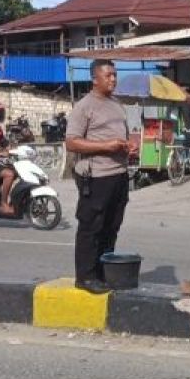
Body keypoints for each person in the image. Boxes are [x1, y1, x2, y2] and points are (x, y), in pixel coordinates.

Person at [65, 59, 131, 294]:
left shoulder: (116, 104)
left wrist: (126, 147)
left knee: (111, 226)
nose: (113, 79)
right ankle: (85, 277)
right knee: (91, 227)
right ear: (95, 79)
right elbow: (72, 142)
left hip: (119, 175)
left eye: (115, 74)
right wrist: (106, 146)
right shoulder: (84, 106)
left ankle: (104, 272)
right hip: (96, 177)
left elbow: (119, 136)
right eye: (108, 75)